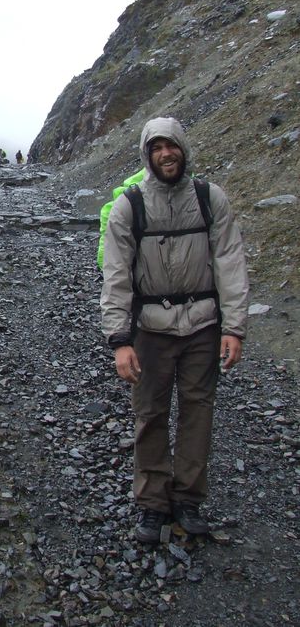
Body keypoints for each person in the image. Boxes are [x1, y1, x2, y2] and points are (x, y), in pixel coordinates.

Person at [100, 116, 248, 543]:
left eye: (172, 146)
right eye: (157, 147)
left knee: (198, 413)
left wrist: (233, 327)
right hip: (150, 328)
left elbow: (230, 262)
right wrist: (119, 340)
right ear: (147, 155)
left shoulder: (209, 198)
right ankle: (152, 503)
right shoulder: (130, 205)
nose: (167, 154)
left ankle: (188, 498)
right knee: (149, 415)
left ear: (184, 148)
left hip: (203, 325)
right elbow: (116, 277)